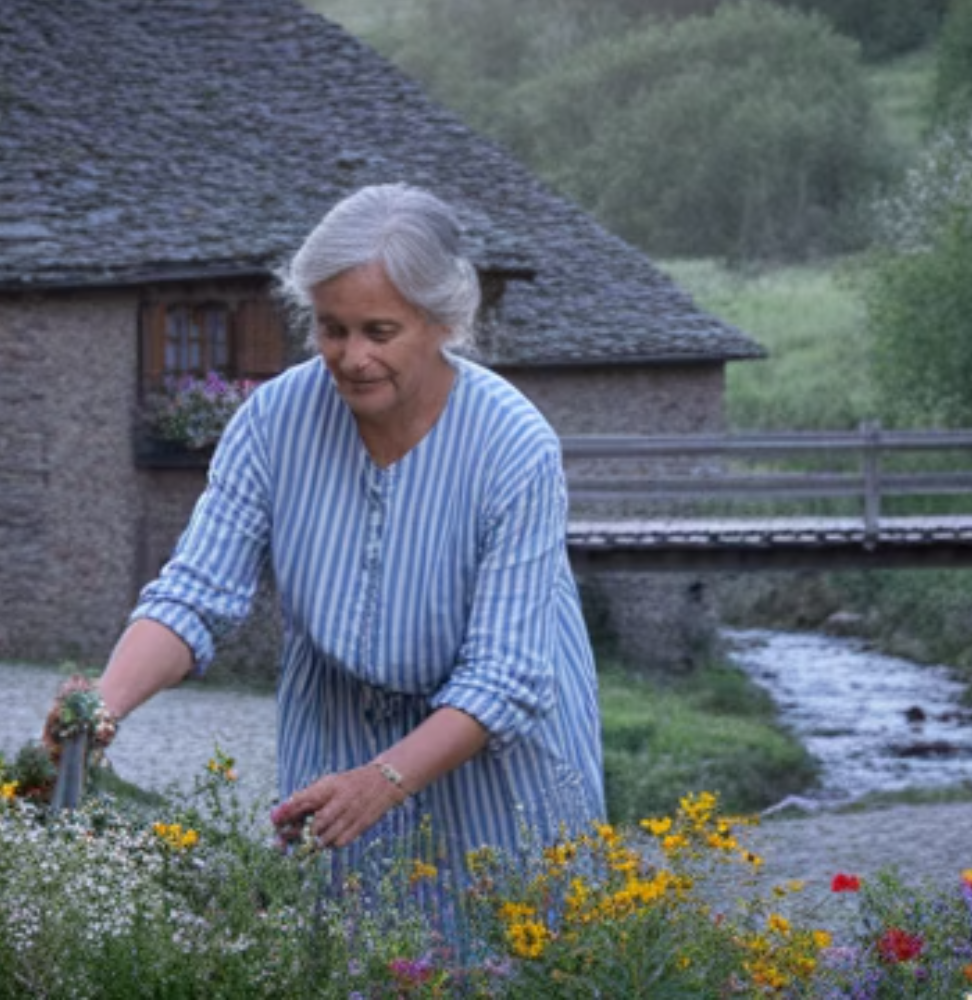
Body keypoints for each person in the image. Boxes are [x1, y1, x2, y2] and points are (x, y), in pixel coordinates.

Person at [55, 183, 604, 872]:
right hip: (338, 747)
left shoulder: (514, 446)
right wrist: (102, 708)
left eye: (380, 332)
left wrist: (387, 780)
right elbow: (194, 595)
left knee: (502, 964)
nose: (350, 357)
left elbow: (505, 677)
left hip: (495, 764)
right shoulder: (273, 420)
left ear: (442, 323)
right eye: (330, 327)